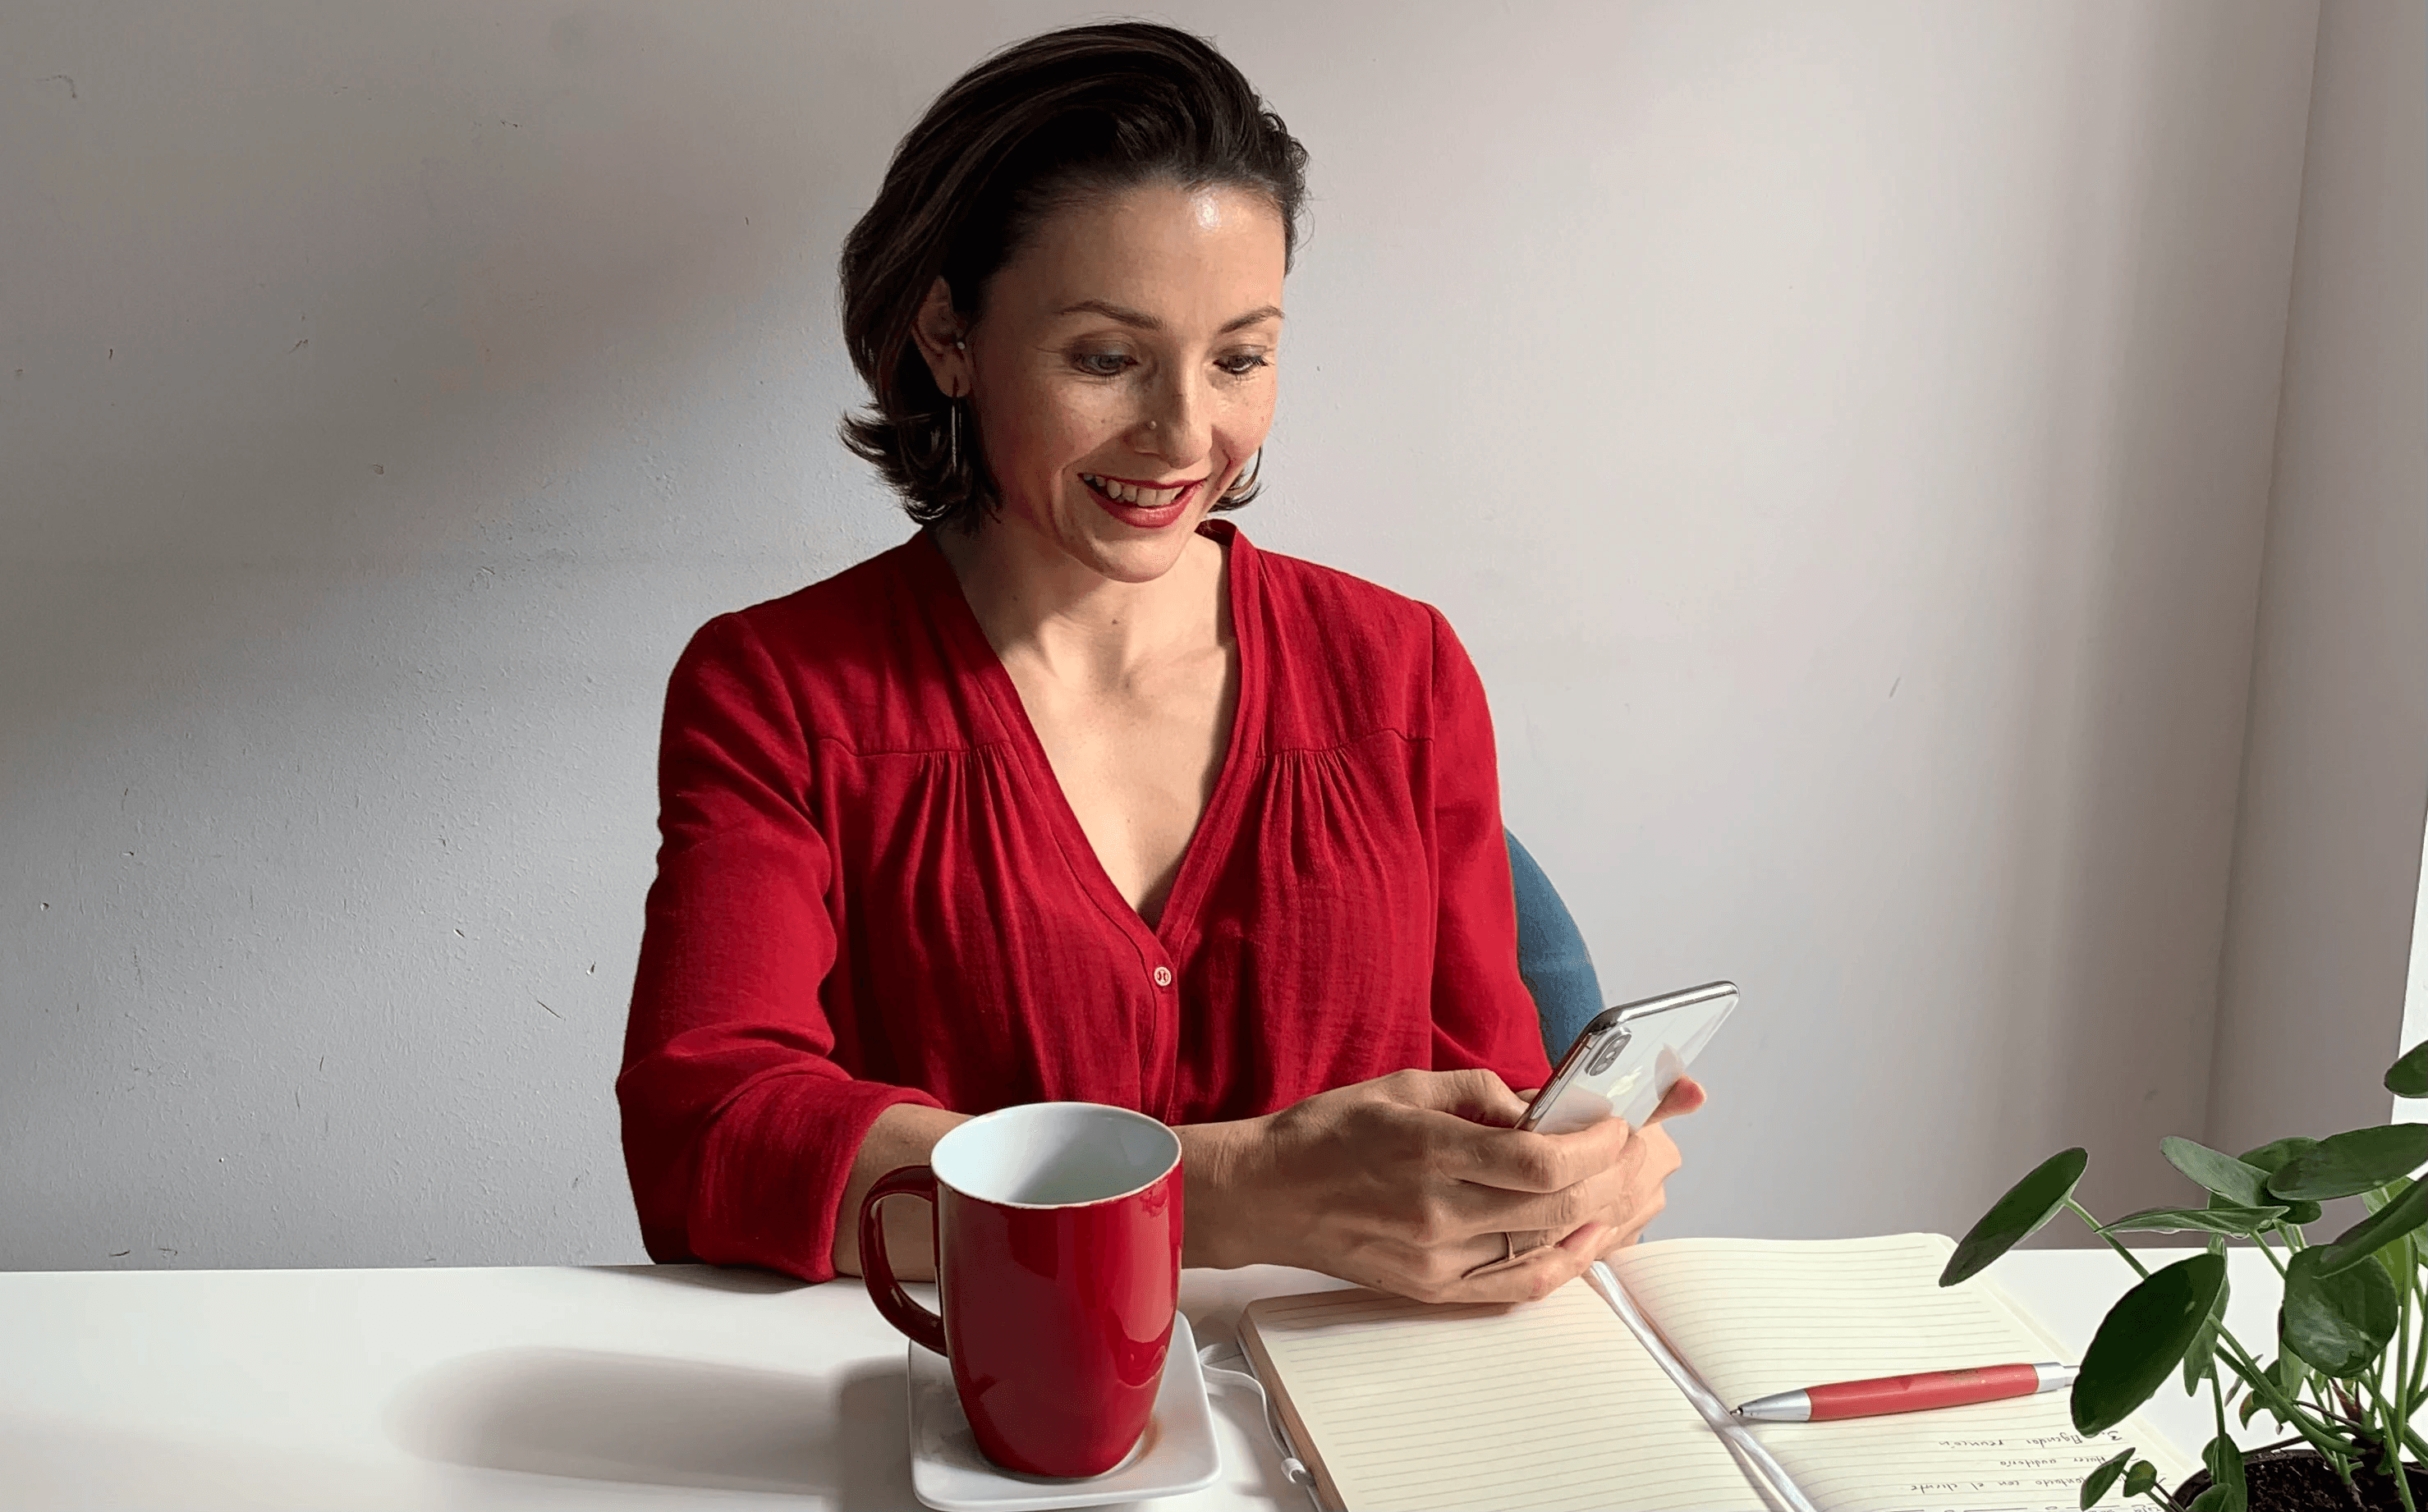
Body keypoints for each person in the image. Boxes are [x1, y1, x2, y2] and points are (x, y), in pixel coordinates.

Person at [617, 21, 1701, 1304]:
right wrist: (1232, 1193)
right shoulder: (778, 694)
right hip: (964, 1400)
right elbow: (711, 1141)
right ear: (949, 333)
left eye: (1239, 357)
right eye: (1106, 359)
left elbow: (1490, 1118)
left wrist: (1571, 1186)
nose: (1187, 433)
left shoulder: (1403, 673)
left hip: (1350, 1402)